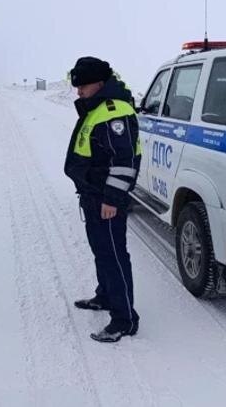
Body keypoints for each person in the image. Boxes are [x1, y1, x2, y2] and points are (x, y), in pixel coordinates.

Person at [63, 56, 142, 343]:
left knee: (114, 255)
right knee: (101, 251)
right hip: (93, 195)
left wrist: (111, 199)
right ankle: (105, 296)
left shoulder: (114, 112)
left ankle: (125, 320)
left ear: (99, 83)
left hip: (106, 199)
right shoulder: (97, 107)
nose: (78, 91)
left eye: (83, 85)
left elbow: (124, 162)